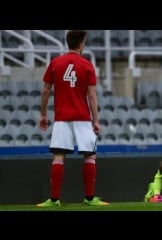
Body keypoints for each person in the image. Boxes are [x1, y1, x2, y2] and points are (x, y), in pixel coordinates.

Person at [36, 30, 109, 207]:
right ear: (81, 44)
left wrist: (44, 114)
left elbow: (46, 90)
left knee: (58, 157)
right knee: (90, 156)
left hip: (61, 117)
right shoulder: (87, 65)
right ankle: (90, 198)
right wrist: (96, 120)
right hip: (83, 117)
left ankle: (54, 200)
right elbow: (92, 95)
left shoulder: (55, 63)